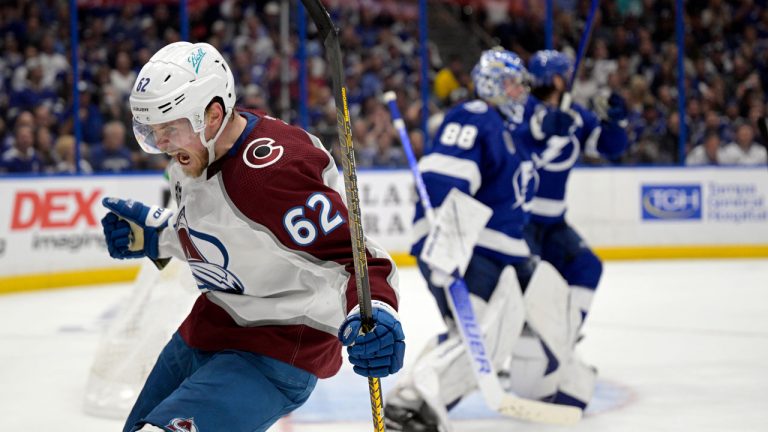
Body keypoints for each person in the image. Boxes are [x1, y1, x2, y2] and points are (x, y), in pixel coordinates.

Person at [99, 41, 405, 432]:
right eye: (152, 131)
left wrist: (378, 313)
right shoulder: (196, 151)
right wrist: (157, 235)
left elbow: (354, 260)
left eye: (168, 128)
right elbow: (226, 233)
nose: (160, 143)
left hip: (277, 349)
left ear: (212, 115)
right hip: (210, 326)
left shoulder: (273, 174)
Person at [384, 49, 544, 431]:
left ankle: (414, 402)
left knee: (473, 338)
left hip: (484, 249)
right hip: (467, 246)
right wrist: (447, 244)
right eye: (509, 82)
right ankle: (413, 401)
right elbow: (442, 179)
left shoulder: (509, 133)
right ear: (489, 84)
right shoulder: (477, 116)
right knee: (481, 340)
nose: (518, 91)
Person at [503, 50, 630, 409]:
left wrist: (616, 122)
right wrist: (543, 129)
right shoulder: (521, 110)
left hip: (555, 223)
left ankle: (563, 341)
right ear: (560, 78)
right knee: (530, 287)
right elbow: (518, 146)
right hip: (522, 221)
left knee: (588, 267)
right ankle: (518, 349)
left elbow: (611, 148)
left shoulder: (577, 115)